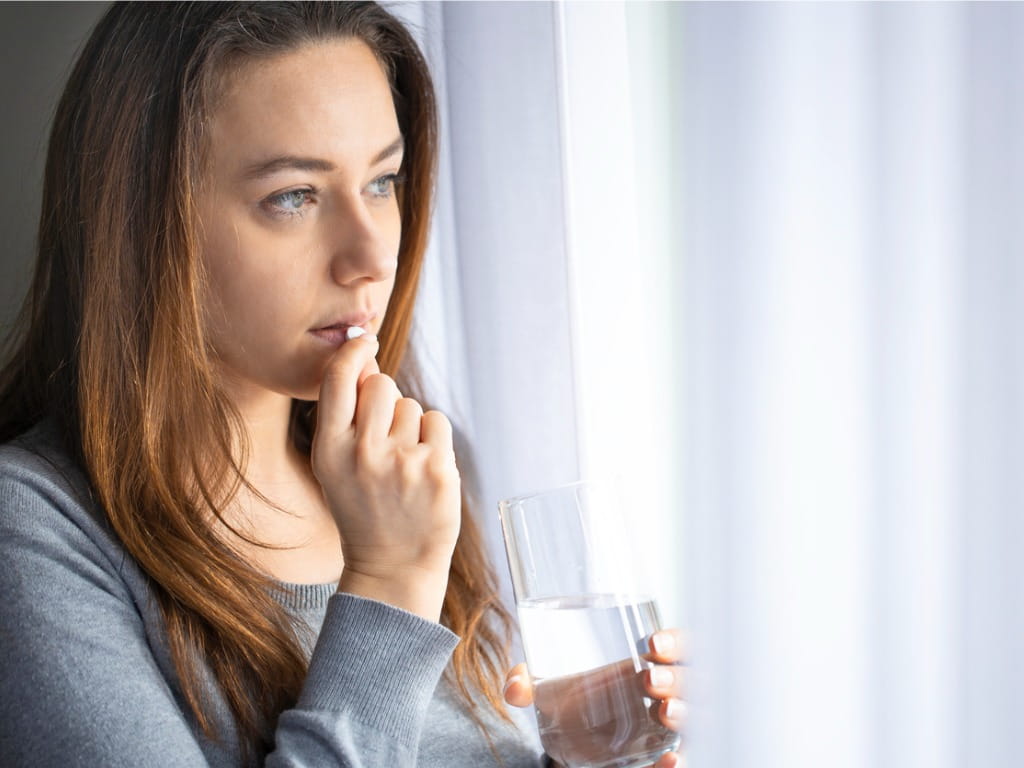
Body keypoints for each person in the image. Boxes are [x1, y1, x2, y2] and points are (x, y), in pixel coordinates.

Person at [0, 3, 685, 766]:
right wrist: (390, 583)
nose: (369, 256)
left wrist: (569, 757)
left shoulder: (405, 463)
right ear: (142, 218)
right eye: (294, 196)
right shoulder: (32, 529)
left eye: (384, 181)